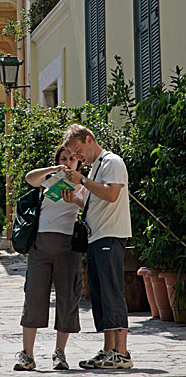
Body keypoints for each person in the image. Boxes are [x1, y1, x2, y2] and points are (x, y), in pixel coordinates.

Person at [62, 124, 133, 370]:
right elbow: (99, 202)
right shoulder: (96, 167)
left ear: (89, 139)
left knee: (111, 293)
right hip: (97, 237)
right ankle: (108, 350)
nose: (76, 157)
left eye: (78, 150)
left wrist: (82, 180)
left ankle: (121, 352)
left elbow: (112, 194)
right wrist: (79, 201)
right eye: (72, 154)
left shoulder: (112, 162)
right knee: (101, 296)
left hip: (110, 236)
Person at [14, 145, 84, 371]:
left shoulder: (83, 184)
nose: (68, 161)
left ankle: (60, 353)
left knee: (67, 299)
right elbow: (29, 178)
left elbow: (90, 207)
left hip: (68, 247)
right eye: (64, 158)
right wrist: (54, 169)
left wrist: (75, 199)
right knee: (33, 297)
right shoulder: (48, 180)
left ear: (79, 162)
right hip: (40, 246)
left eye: (72, 158)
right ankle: (27, 354)